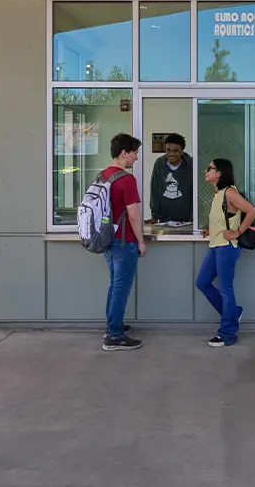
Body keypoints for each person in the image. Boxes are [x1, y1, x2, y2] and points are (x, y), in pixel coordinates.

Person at [196, 159, 255, 347]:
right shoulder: (218, 194)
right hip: (216, 245)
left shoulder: (230, 192)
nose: (206, 171)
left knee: (225, 289)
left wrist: (237, 232)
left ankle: (228, 333)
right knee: (202, 282)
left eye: (210, 168)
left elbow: (252, 211)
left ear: (220, 173)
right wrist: (209, 229)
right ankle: (233, 313)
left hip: (227, 247)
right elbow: (224, 219)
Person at [102, 133, 146, 352]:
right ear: (124, 153)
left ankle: (113, 325)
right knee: (121, 288)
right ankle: (114, 336)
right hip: (124, 242)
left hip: (107, 241)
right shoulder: (126, 180)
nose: (136, 158)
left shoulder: (102, 176)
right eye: (135, 153)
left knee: (114, 285)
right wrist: (141, 242)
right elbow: (134, 216)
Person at [149, 133, 193, 223]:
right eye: (168, 150)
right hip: (164, 220)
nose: (171, 154)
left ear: (182, 151)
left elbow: (195, 193)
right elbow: (154, 190)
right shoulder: (159, 164)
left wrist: (193, 218)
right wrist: (154, 216)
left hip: (186, 220)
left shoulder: (191, 165)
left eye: (175, 151)